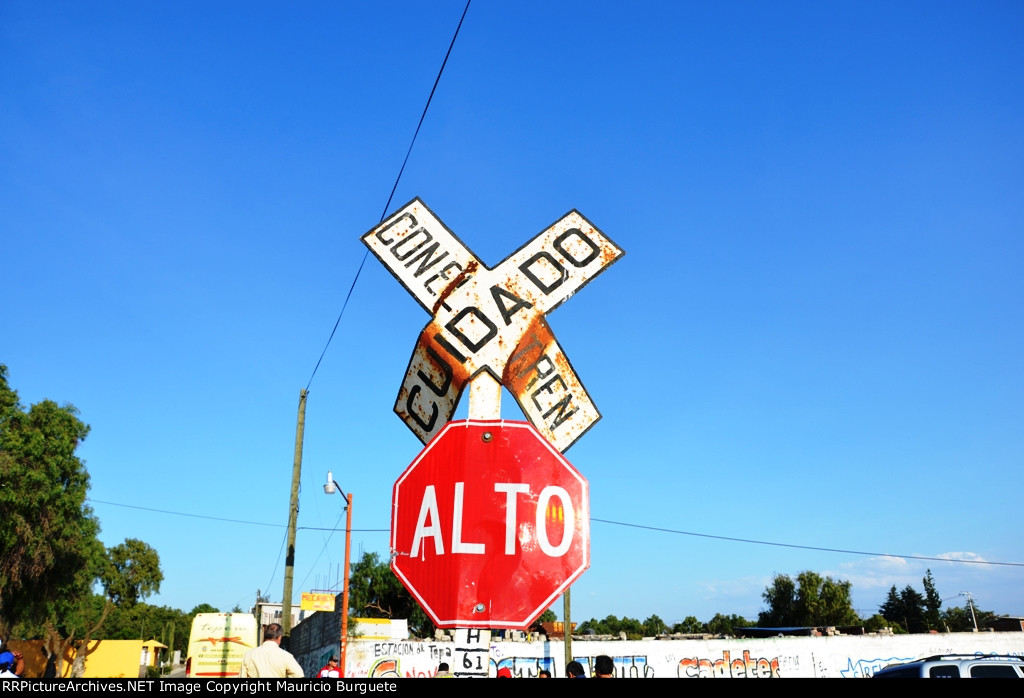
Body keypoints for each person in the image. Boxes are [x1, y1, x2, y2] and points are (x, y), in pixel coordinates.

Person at [239, 623, 304, 678]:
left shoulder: (248, 655)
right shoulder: (286, 656)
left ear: (264, 636)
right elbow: (299, 675)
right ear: (280, 637)